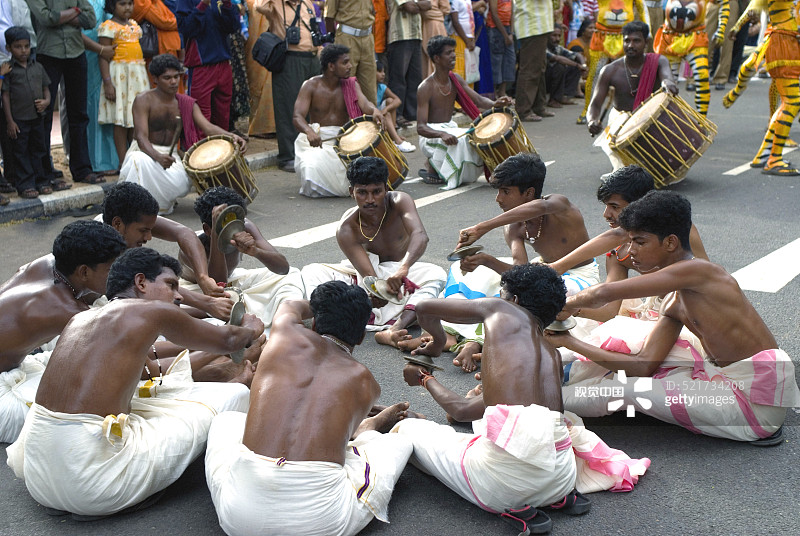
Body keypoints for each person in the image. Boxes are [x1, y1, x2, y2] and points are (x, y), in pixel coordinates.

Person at [7, 247, 263, 517]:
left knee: (162, 398)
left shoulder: (80, 318)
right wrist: (251, 328)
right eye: (171, 285)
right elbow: (229, 340)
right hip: (91, 485)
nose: (178, 295)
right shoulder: (151, 312)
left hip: (39, 477)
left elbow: (151, 375)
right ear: (141, 282)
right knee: (234, 395)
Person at [395, 264, 649, 534]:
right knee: (470, 440)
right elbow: (476, 411)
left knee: (409, 431)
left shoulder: (502, 309)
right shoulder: (550, 354)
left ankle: (515, 504)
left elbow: (424, 308)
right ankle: (550, 498)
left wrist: (427, 368)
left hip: (503, 487)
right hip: (561, 479)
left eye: (503, 294)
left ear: (513, 299)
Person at [548, 191, 800, 444]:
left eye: (640, 242)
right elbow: (644, 365)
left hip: (754, 408)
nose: (630, 251)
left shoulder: (702, 272)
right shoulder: (674, 300)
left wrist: (565, 304)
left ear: (670, 243)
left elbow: (603, 292)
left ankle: (539, 401)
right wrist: (569, 341)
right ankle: (545, 388)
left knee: (627, 390)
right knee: (628, 361)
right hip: (719, 382)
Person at [205, 282, 415, 535]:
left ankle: (366, 429)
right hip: (318, 523)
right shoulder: (367, 383)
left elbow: (290, 305)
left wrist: (329, 306)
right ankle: (368, 429)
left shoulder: (283, 333)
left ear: (314, 322)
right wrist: (359, 308)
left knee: (226, 421)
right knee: (399, 443)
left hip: (239, 516)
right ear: (361, 336)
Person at [440, 152, 599, 372]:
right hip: (539, 272)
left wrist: (482, 227)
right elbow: (520, 273)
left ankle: (479, 341)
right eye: (498, 191)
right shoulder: (514, 226)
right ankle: (474, 339)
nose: (499, 199)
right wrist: (484, 260)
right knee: (464, 275)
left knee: (548, 296)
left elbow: (540, 208)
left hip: (579, 278)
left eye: (505, 191)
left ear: (529, 193)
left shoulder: (558, 205)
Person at [0, 220, 127, 443]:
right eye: (111, 269)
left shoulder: (49, 263)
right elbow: (127, 348)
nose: (118, 275)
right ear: (84, 271)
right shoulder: (64, 309)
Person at [301, 157, 447, 348]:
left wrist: (403, 269)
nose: (370, 200)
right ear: (351, 192)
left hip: (404, 273)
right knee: (312, 272)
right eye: (362, 193)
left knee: (436, 274)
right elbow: (370, 279)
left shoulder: (400, 201)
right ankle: (333, 319)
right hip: (370, 276)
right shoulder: (346, 228)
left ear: (386, 189)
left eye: (376, 192)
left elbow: (420, 235)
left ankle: (395, 329)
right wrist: (375, 293)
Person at [549, 165, 709, 322]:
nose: (606, 214)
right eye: (606, 206)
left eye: (614, 207)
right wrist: (572, 310)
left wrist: (558, 267)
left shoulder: (675, 227)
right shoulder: (618, 254)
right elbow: (609, 312)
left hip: (700, 313)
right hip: (660, 315)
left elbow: (618, 235)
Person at [120, 54, 246, 213]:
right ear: (155, 79)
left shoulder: (185, 103)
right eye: (167, 78)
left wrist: (232, 136)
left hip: (171, 157)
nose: (173, 82)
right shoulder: (143, 100)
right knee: (136, 160)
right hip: (145, 151)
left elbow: (208, 127)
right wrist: (157, 157)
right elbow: (140, 137)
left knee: (182, 182)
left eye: (176, 77)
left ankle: (160, 203)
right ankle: (139, 211)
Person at [183, 186, 305, 331]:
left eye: (237, 224)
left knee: (292, 275)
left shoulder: (244, 226)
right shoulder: (194, 244)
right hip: (197, 290)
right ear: (207, 229)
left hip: (233, 281)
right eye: (225, 226)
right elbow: (217, 285)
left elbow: (283, 268)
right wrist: (217, 235)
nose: (234, 230)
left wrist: (256, 251)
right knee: (220, 307)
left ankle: (282, 318)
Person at [100, 181, 233, 312]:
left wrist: (203, 277)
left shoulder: (128, 220)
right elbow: (153, 306)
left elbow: (184, 233)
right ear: (117, 224)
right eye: (143, 231)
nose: (149, 237)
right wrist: (207, 304)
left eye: (151, 230)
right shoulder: (99, 251)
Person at [416, 35, 512, 189]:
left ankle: (438, 168)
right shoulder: (425, 87)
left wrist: (496, 103)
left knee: (476, 135)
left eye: (453, 51)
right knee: (461, 140)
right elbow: (420, 127)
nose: (454, 55)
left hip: (450, 127)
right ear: (437, 58)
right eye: (448, 53)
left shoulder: (455, 79)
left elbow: (479, 100)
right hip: (432, 134)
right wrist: (442, 134)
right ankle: (435, 167)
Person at [27, 0, 106, 186]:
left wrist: (65, 15)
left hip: (76, 52)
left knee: (79, 114)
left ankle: (82, 169)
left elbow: (90, 19)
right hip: (48, 54)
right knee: (43, 117)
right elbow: (47, 18)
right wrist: (75, 12)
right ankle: (44, 173)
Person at [292, 44, 384, 197]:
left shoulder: (351, 84)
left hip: (345, 139)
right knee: (311, 168)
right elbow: (297, 116)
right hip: (319, 140)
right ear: (331, 66)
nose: (350, 66)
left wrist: (375, 111)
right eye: (345, 62)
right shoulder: (310, 86)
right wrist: (309, 132)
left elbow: (365, 104)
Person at [723, 0, 800, 175]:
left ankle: (764, 155)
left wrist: (737, 26)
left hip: (786, 40)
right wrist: (737, 26)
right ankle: (774, 160)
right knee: (792, 102)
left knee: (788, 102)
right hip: (783, 43)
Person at [587, 21, 677, 170]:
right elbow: (595, 104)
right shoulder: (610, 70)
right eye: (627, 40)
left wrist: (667, 83)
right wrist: (592, 121)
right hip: (620, 122)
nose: (630, 45)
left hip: (651, 119)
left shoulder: (659, 61)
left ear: (646, 42)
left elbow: (667, 77)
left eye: (636, 41)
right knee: (627, 172)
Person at [256, 0, 320, 174]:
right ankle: (288, 156)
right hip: (290, 58)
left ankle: (310, 151)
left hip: (312, 57)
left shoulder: (307, 3)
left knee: (313, 107)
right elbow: (258, 6)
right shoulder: (275, 5)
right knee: (288, 107)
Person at [98, 0, 151, 167]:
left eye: (130, 3)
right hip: (120, 77)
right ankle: (123, 162)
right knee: (121, 120)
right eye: (122, 4)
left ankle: (136, 160)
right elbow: (103, 56)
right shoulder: (108, 26)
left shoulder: (135, 25)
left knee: (135, 120)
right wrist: (107, 82)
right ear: (113, 6)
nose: (127, 7)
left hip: (137, 77)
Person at [1, 27, 53, 199]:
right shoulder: (8, 70)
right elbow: (5, 96)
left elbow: (47, 89)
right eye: (18, 47)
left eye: (26, 46)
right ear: (8, 48)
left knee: (39, 149)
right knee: (21, 152)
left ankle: (41, 181)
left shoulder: (37, 67)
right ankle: (25, 184)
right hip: (19, 119)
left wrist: (46, 102)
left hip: (37, 118)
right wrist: (10, 121)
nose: (23, 51)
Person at [653, 0, 728, 116]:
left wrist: (721, 29)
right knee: (667, 83)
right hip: (669, 39)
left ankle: (701, 120)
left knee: (702, 78)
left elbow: (724, 3)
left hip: (695, 39)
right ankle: (667, 119)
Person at [577, 0, 646, 124]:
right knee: (594, 74)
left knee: (630, 73)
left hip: (625, 37)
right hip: (601, 37)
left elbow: (642, 8)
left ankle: (633, 109)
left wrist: (647, 30)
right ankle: (588, 111)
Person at [176, 0, 239, 128]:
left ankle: (222, 147)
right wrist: (203, 4)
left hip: (223, 62)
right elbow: (185, 28)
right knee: (201, 118)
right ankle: (201, 148)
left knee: (222, 117)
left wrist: (227, 4)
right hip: (201, 65)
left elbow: (233, 27)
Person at [82, 0, 120, 176]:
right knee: (92, 103)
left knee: (108, 102)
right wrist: (99, 49)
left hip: (108, 53)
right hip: (87, 52)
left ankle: (115, 157)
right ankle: (97, 159)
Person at [325, 0, 378, 105]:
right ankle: (344, 121)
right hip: (346, 37)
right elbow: (329, 17)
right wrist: (335, 42)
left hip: (367, 38)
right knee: (344, 87)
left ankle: (368, 120)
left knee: (370, 91)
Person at [513, 0, 557, 121]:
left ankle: (539, 106)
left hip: (538, 25)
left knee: (539, 68)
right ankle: (523, 110)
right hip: (532, 25)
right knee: (530, 70)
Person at [386, 0, 425, 123]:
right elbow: (409, 7)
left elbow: (429, 5)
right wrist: (418, 5)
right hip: (399, 36)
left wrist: (415, 5)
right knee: (398, 78)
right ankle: (397, 114)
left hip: (416, 35)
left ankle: (412, 113)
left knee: (415, 77)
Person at [376, 60, 416, 152]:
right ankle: (398, 141)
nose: (383, 74)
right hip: (374, 116)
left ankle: (393, 136)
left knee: (390, 101)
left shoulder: (382, 87)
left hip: (382, 115)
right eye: (379, 71)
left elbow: (398, 100)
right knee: (387, 114)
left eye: (383, 71)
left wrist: (385, 109)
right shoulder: (367, 88)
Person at [546, 24, 588, 107]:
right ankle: (553, 99)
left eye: (559, 36)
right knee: (560, 67)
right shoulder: (543, 47)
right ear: (547, 36)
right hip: (544, 79)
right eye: (554, 36)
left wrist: (583, 65)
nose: (557, 39)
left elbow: (577, 55)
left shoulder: (558, 47)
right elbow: (557, 58)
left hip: (552, 77)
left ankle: (563, 96)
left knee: (575, 65)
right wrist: (577, 65)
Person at [487, 0, 515, 98]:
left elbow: (512, 14)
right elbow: (494, 14)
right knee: (496, 61)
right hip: (495, 29)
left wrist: (511, 33)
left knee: (509, 61)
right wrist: (505, 35)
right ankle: (494, 91)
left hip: (507, 29)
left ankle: (502, 91)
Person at [420, 0, 449, 78]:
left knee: (436, 56)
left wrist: (433, 14)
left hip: (435, 25)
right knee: (426, 58)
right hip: (424, 24)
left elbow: (446, 9)